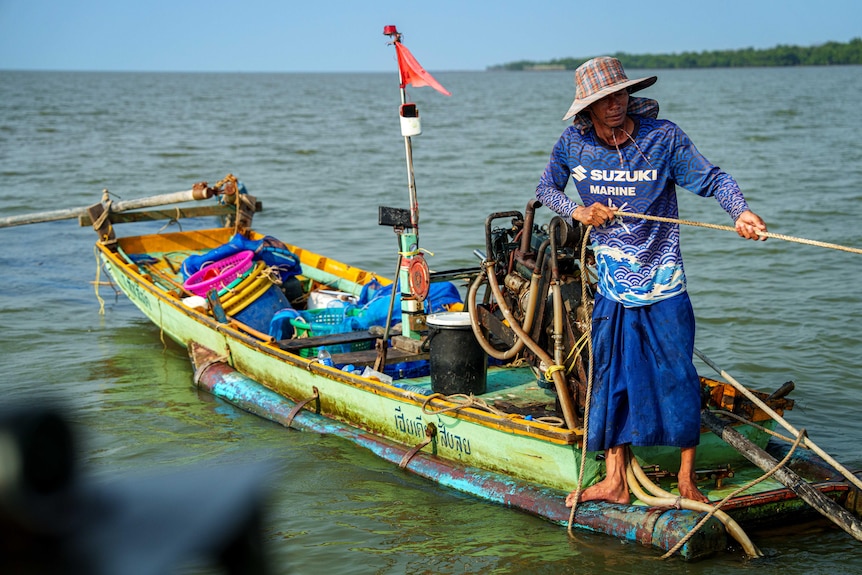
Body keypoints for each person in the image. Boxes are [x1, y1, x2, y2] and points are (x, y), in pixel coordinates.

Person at [535, 56, 767, 506]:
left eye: (620, 94)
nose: (615, 105)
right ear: (587, 108)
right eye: (604, 100)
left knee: (677, 376)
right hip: (611, 289)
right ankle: (615, 481)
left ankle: (685, 479)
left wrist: (740, 210)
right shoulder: (573, 144)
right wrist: (576, 211)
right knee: (609, 377)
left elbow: (712, 179)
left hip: (664, 286)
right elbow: (546, 190)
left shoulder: (664, 138)